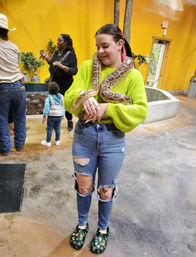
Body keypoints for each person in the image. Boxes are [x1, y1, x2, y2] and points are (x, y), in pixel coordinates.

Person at [64, 24, 148, 254]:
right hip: (84, 135)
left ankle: (102, 229)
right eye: (97, 47)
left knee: (105, 189)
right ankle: (82, 224)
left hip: (113, 138)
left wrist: (108, 108)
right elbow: (69, 98)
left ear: (120, 44)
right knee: (84, 186)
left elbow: (140, 110)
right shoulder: (88, 67)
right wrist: (84, 97)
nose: (100, 51)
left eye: (105, 46)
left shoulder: (133, 75)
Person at [0, 13, 26, 156]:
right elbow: (16, 66)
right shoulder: (14, 47)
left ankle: (5, 149)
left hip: (2, 86)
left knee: (2, 119)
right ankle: (20, 146)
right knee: (20, 118)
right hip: (19, 85)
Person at [40, 34, 77, 131]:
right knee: (53, 104)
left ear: (65, 42)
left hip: (66, 84)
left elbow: (74, 70)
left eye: (60, 40)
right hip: (55, 84)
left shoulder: (70, 54)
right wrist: (46, 57)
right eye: (57, 40)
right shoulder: (57, 53)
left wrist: (63, 67)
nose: (57, 42)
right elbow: (53, 64)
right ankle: (52, 124)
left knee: (66, 104)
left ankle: (69, 121)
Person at [41, 81, 65, 147]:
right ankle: (57, 141)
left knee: (50, 129)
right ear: (58, 89)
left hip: (52, 116)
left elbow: (46, 108)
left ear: (49, 90)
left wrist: (44, 117)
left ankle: (48, 142)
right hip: (59, 115)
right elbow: (63, 106)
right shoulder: (62, 97)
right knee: (57, 128)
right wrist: (63, 115)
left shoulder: (49, 98)